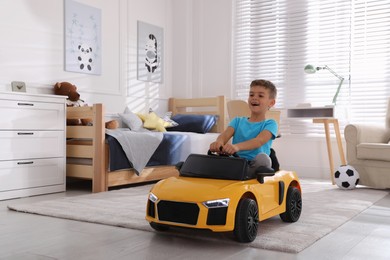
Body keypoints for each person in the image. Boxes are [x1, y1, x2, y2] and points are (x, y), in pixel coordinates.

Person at [209, 79, 278, 175]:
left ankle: (246, 173)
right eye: (251, 95)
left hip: (255, 164)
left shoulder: (270, 124)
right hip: (236, 162)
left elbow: (259, 141)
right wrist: (219, 143)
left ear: (271, 103)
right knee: (215, 157)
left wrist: (237, 147)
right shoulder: (237, 121)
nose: (254, 98)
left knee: (263, 159)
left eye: (260, 96)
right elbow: (224, 135)